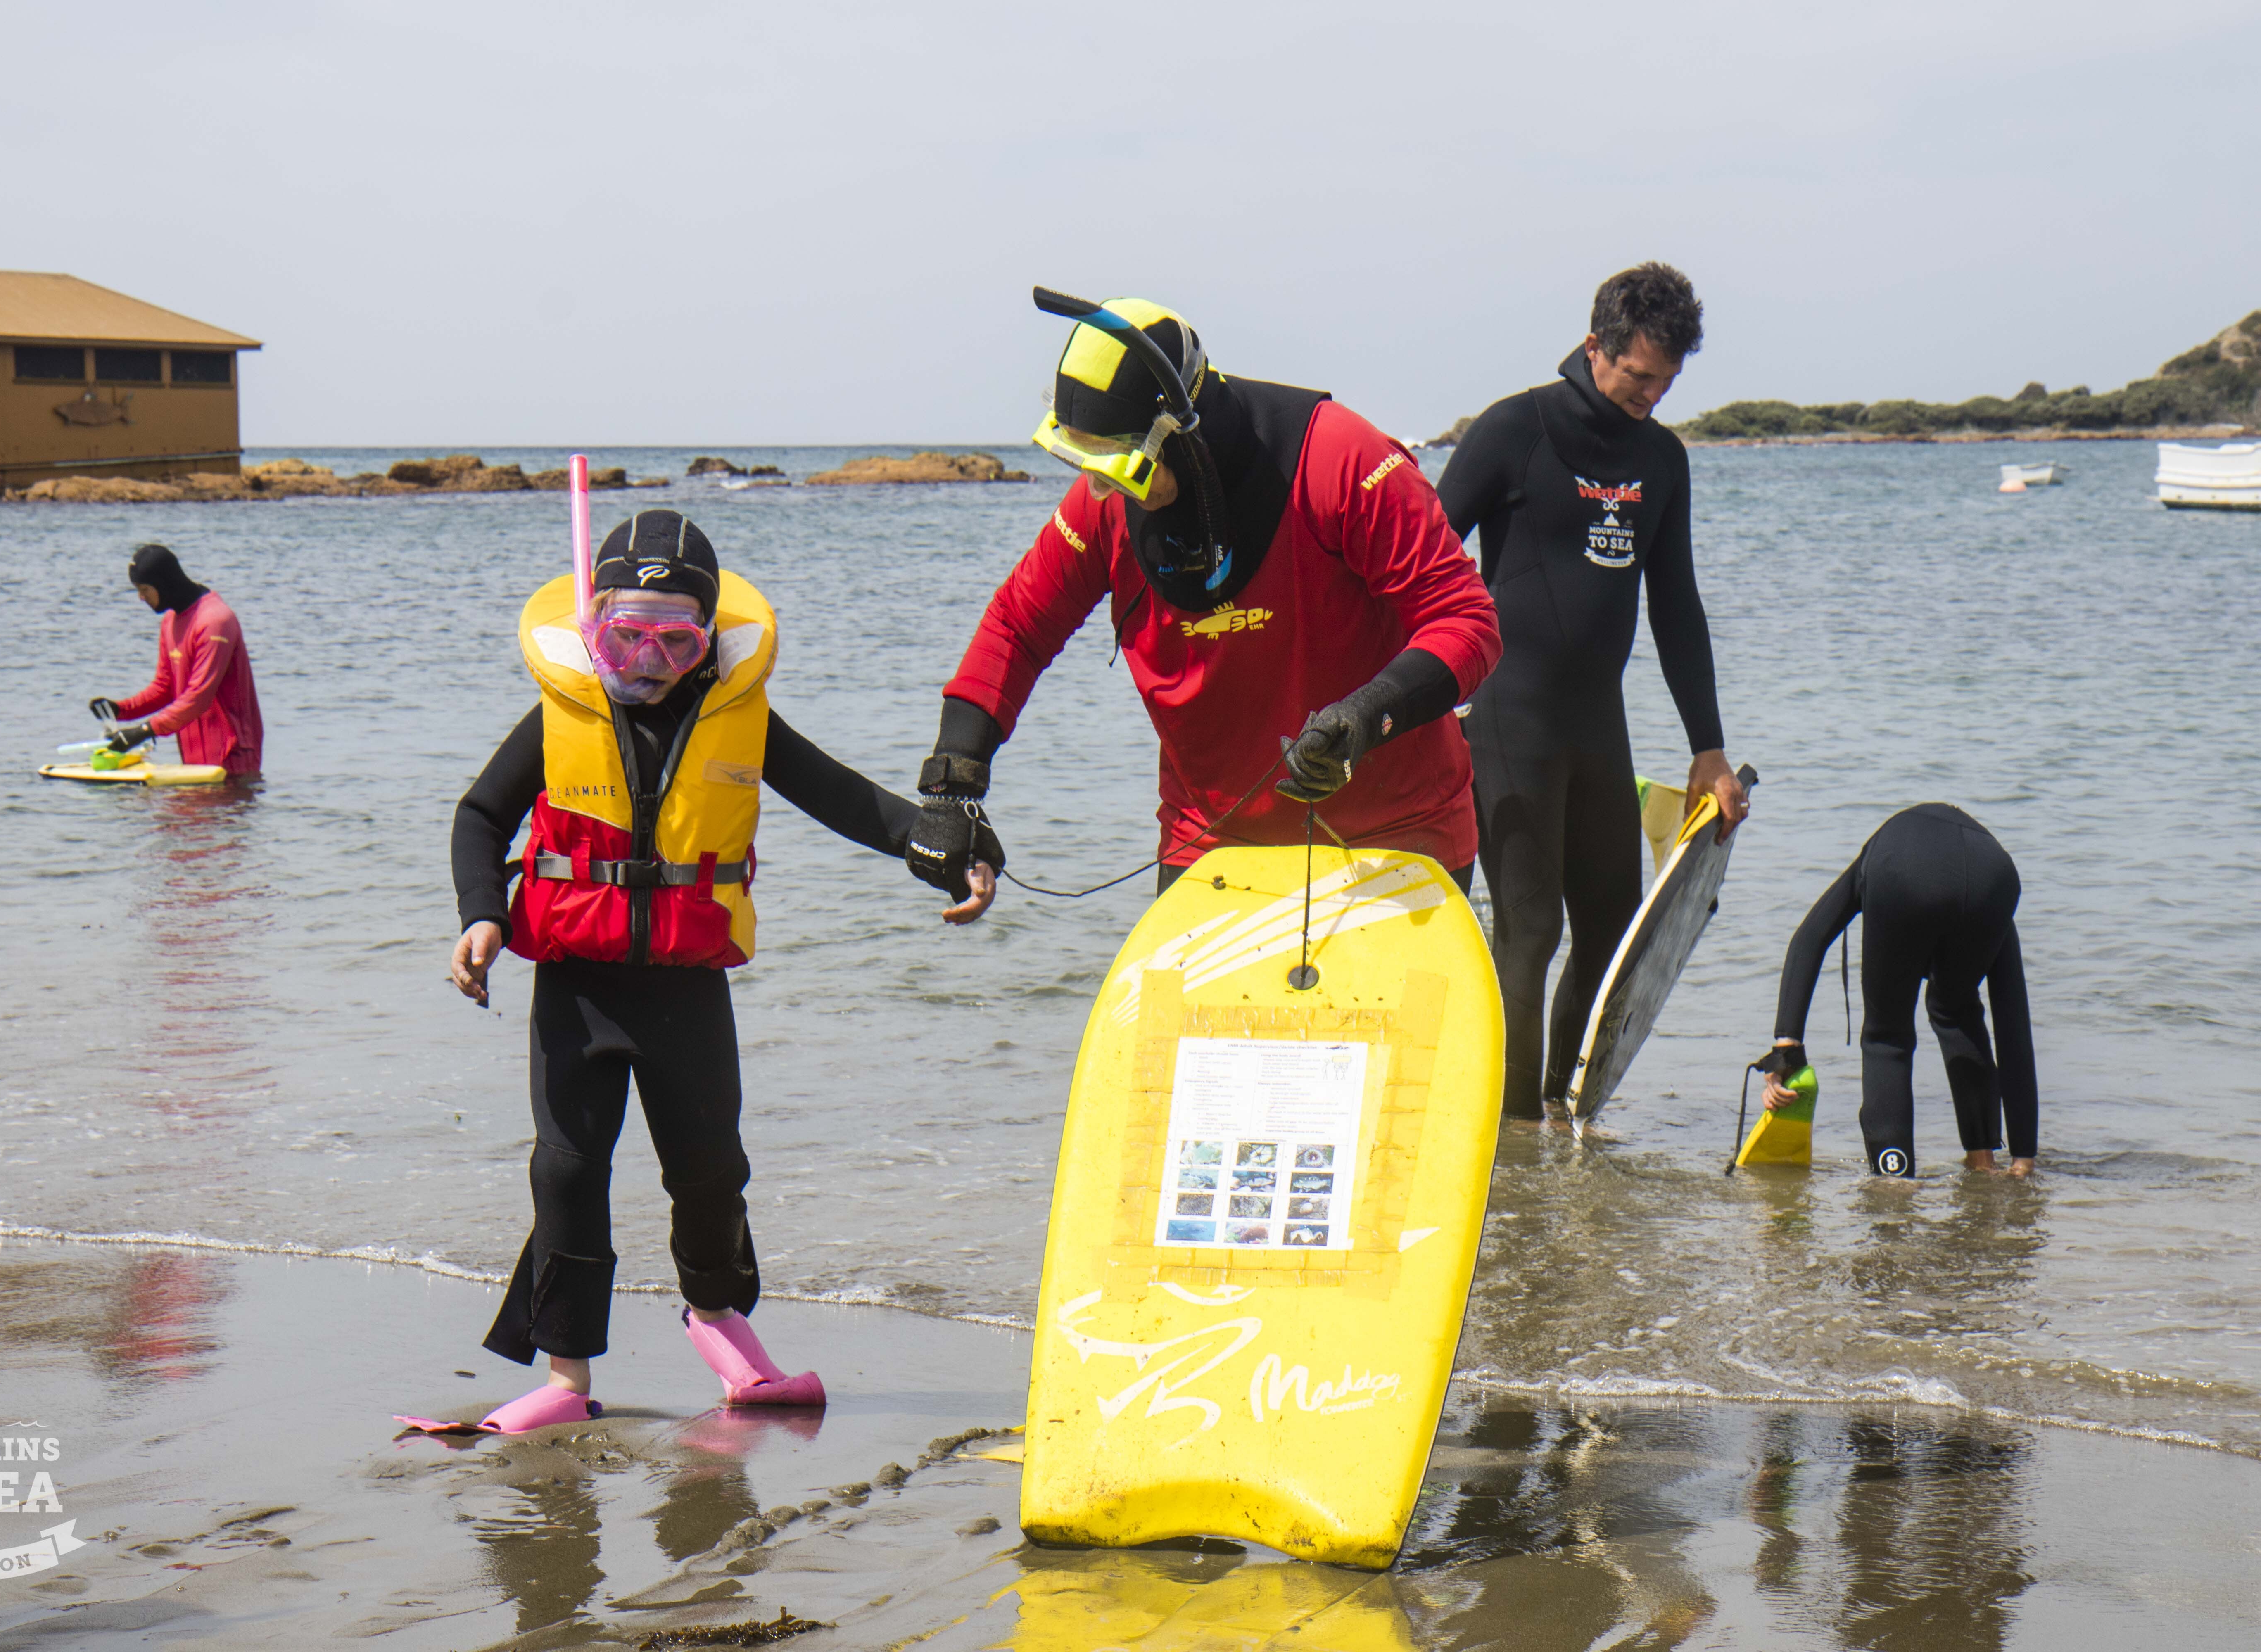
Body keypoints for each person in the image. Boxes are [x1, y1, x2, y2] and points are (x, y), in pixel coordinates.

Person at [441, 509, 1001, 1434]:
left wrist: (942, 846)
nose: (647, 662)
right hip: (577, 988)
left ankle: (718, 1322)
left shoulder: (738, 720)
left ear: (708, 643)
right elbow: (478, 817)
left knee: (708, 1173)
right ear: (593, 632)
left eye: (675, 639)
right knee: (568, 1174)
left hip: (685, 989)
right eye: (624, 637)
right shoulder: (558, 716)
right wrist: (483, 916)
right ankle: (567, 1373)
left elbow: (845, 798)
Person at [907, 290, 1500, 902]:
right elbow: (1017, 628)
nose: (1110, 490)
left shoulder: (1337, 459)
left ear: (1182, 431)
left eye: (1124, 466)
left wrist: (1366, 716)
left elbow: (1466, 621)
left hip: (1399, 837)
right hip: (1214, 845)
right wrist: (953, 787)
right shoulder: (1105, 505)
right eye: (1090, 465)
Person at [1435, 263, 1749, 1120]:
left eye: (1667, 380)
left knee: (1612, 922)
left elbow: (1676, 605)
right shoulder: (1515, 430)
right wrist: (1415, 696)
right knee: (1529, 930)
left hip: (1595, 723)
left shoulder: (1661, 458)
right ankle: (1509, 1134)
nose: (1652, 393)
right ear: (1595, 347)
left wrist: (1707, 746)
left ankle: (1554, 1109)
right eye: (1639, 374)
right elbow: (1422, 560)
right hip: (1508, 714)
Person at [1754, 804, 2037, 1179]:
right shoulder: (1990, 889)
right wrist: (2025, 1156)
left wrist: (1785, 1055)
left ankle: (1895, 1179)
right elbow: (2013, 1020)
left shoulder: (1879, 852)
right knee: (1956, 1008)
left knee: (1887, 1038)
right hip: (1994, 876)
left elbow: (1810, 938)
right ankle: (1990, 1163)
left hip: (1902, 866)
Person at [88, 544, 264, 776]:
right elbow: (165, 688)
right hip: (195, 761)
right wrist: (120, 710)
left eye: (144, 589)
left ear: (164, 584)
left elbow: (199, 697)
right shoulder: (171, 621)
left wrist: (144, 731)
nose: (141, 597)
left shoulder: (214, 621)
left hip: (232, 759)